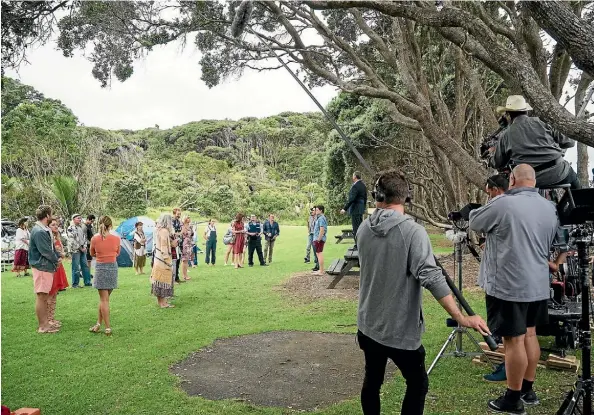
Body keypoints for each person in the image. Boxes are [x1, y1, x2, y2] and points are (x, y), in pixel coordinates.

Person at [357, 170, 489, 415]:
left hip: (368, 325)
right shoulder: (412, 232)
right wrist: (460, 317)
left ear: (378, 196)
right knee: (418, 383)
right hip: (398, 330)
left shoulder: (364, 228)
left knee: (372, 381)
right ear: (407, 198)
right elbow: (431, 276)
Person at [469, 164, 558, 414]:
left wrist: (495, 199)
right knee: (530, 335)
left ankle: (513, 398)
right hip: (538, 283)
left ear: (512, 179)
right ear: (534, 180)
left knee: (513, 340)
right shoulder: (549, 207)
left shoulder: (503, 203)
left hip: (509, 284)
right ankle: (528, 390)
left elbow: (475, 221)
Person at [489, 95, 579, 189]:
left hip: (531, 179)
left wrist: (491, 156)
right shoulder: (543, 122)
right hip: (558, 172)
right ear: (526, 111)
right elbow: (570, 142)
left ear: (508, 114)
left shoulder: (505, 136)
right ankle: (582, 202)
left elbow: (498, 163)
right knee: (576, 183)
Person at [28, 205, 60, 333]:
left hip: (45, 266)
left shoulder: (42, 229)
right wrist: (56, 259)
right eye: (51, 213)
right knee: (42, 296)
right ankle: (43, 326)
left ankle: (46, 323)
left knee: (45, 295)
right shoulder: (39, 231)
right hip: (42, 266)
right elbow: (46, 251)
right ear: (47, 216)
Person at [88, 216, 120, 335]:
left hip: (101, 268)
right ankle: (98, 324)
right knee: (105, 300)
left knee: (103, 300)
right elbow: (118, 252)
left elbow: (92, 253)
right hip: (112, 267)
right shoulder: (116, 238)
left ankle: (107, 327)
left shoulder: (94, 238)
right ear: (110, 225)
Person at [151, 214, 176, 308]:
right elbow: (164, 246)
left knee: (159, 281)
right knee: (164, 281)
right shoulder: (164, 231)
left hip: (158, 258)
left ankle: (161, 302)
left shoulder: (159, 230)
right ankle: (163, 303)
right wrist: (167, 260)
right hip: (162, 259)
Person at [48, 217, 69, 329]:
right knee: (50, 294)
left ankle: (51, 317)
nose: (56, 226)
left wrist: (62, 253)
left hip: (59, 266)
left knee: (55, 293)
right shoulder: (48, 238)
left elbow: (61, 251)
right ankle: (48, 319)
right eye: (53, 225)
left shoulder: (57, 238)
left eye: (56, 225)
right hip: (52, 267)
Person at [340, 171, 368, 246]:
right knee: (360, 227)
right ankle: (361, 243)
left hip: (355, 208)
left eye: (353, 176)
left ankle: (358, 245)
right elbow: (365, 198)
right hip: (361, 208)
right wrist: (364, 207)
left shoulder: (355, 186)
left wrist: (344, 209)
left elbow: (351, 199)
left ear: (355, 176)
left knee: (356, 228)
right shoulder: (363, 185)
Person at [67, 213, 92, 288]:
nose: (79, 219)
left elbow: (84, 238)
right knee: (76, 266)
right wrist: (80, 248)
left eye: (80, 218)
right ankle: (75, 284)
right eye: (78, 218)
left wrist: (84, 247)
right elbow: (72, 240)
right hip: (75, 250)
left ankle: (87, 282)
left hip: (83, 249)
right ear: (73, 219)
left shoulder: (81, 227)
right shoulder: (70, 228)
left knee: (85, 265)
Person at [312, 205, 327, 274]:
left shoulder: (321, 218)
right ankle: (321, 270)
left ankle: (321, 271)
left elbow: (322, 229)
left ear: (321, 210)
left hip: (319, 239)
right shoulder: (320, 218)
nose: (316, 211)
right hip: (317, 238)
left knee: (319, 253)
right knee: (318, 253)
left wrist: (318, 239)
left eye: (317, 210)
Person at [180, 216, 193, 281]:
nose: (189, 219)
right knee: (184, 259)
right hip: (185, 243)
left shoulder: (190, 226)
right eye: (187, 218)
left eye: (189, 218)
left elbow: (192, 234)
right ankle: (184, 275)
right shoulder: (182, 226)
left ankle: (186, 274)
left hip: (189, 243)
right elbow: (182, 234)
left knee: (187, 259)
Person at [172, 208, 182, 283]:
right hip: (173, 243)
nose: (179, 215)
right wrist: (180, 233)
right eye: (178, 214)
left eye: (180, 214)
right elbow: (173, 233)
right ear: (174, 213)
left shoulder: (179, 221)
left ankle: (177, 277)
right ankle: (173, 278)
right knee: (174, 261)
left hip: (178, 243)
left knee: (178, 260)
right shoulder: (171, 221)